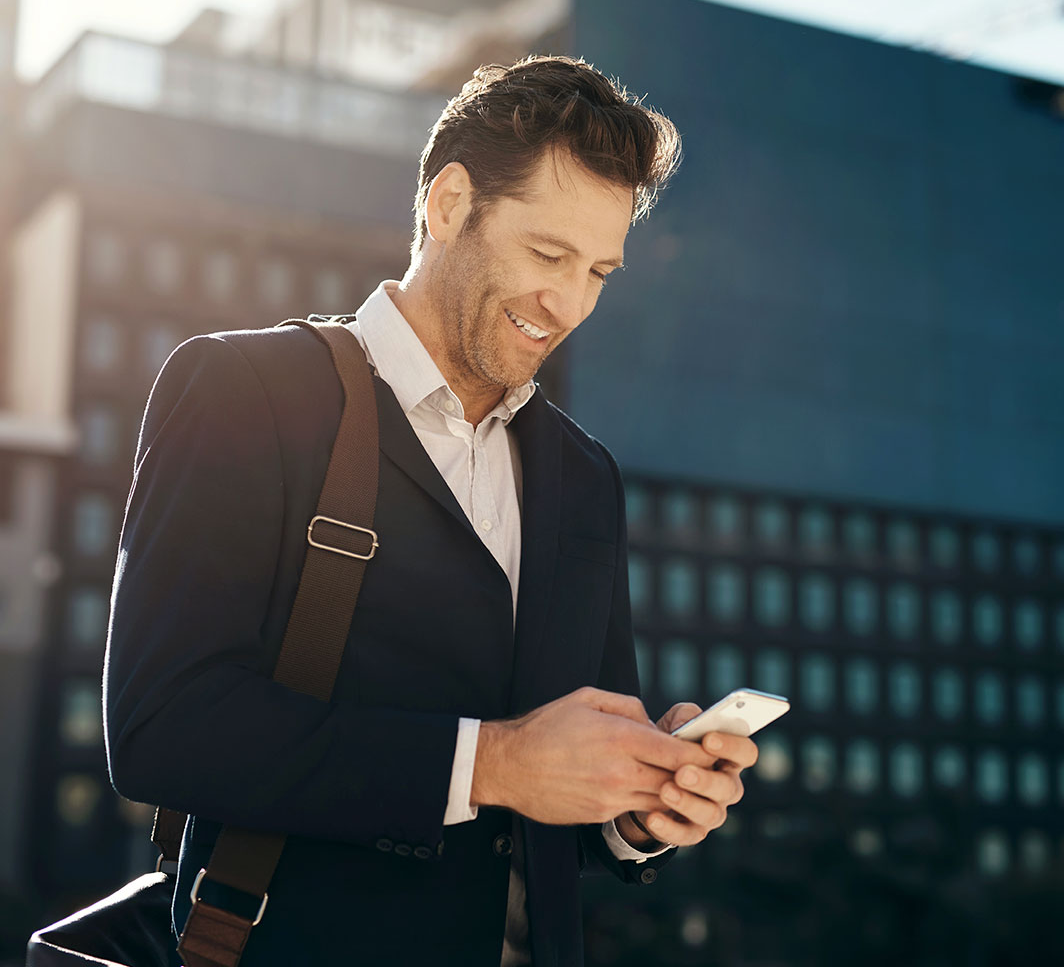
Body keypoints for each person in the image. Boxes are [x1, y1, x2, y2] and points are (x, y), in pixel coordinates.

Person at [104, 55, 758, 967]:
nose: (568, 303)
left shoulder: (583, 477)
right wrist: (496, 762)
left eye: (600, 272)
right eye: (548, 254)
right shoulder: (243, 393)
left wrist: (637, 810)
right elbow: (161, 729)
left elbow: (552, 815)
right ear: (449, 204)